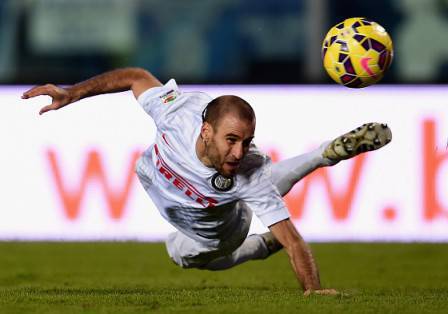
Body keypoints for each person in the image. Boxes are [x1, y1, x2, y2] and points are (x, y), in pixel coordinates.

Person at [22, 68, 391, 296]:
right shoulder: (176, 112)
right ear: (205, 130)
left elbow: (293, 240)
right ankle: (325, 153)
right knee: (256, 179)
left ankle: (268, 235)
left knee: (184, 251)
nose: (239, 150)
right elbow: (134, 76)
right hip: (161, 181)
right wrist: (73, 92)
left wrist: (314, 289)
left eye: (246, 141)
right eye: (231, 140)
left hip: (217, 229)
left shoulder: (246, 166)